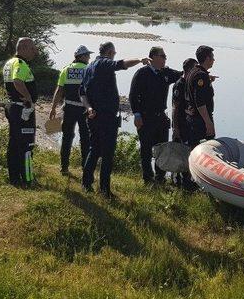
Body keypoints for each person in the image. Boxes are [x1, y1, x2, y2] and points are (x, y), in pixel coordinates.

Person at [80, 42, 151, 199]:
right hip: (106, 118)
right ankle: (105, 190)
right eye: (114, 52)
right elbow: (122, 64)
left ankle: (86, 183)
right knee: (107, 154)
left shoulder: (88, 68)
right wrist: (140, 59)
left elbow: (82, 93)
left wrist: (89, 108)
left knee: (94, 149)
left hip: (93, 116)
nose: (115, 55)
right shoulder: (104, 63)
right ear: (110, 52)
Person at [129, 46, 183, 184]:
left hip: (160, 118)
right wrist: (137, 115)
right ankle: (148, 178)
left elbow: (183, 74)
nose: (165, 59)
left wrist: (202, 75)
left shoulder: (165, 73)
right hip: (145, 118)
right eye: (163, 56)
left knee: (162, 150)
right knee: (146, 151)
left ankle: (160, 178)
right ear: (153, 57)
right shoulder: (142, 73)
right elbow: (133, 96)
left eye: (165, 56)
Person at [49, 45, 94, 174]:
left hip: (68, 108)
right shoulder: (89, 70)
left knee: (67, 137)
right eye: (87, 55)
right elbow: (93, 91)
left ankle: (64, 168)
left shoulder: (66, 69)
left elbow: (59, 91)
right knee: (85, 138)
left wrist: (53, 108)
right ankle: (85, 168)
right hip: (84, 109)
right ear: (82, 57)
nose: (89, 58)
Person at [2, 37, 38, 187]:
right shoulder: (20, 63)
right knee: (27, 145)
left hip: (12, 107)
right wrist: (29, 98)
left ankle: (14, 178)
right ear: (22, 48)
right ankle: (28, 179)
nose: (35, 52)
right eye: (32, 48)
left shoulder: (9, 63)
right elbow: (17, 81)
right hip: (23, 110)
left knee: (14, 143)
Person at [184, 45, 217, 148]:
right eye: (212, 57)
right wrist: (208, 123)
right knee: (207, 150)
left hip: (193, 119)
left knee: (193, 151)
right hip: (200, 122)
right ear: (207, 58)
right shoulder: (201, 76)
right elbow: (200, 102)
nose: (214, 60)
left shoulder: (193, 72)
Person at [172, 58, 198, 144]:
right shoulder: (180, 84)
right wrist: (176, 129)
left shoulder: (190, 83)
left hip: (189, 126)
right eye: (196, 68)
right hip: (181, 126)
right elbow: (175, 107)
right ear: (190, 69)